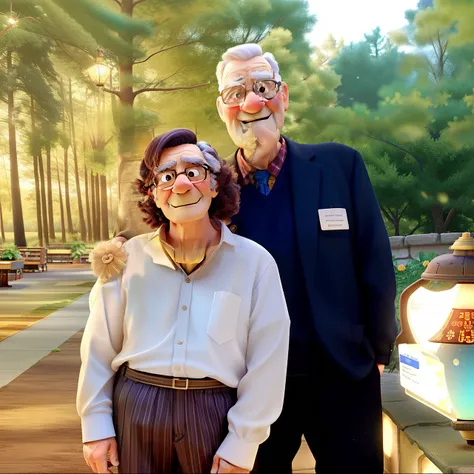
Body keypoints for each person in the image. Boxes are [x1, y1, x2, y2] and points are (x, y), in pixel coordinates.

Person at [108, 43, 398, 473]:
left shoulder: (341, 166)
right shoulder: (208, 188)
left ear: (283, 97)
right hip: (248, 383)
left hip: (341, 371)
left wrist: (377, 350)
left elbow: (374, 260)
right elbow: (170, 243)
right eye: (236, 92)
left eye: (263, 87)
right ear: (223, 108)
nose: (252, 102)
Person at [77, 128, 290, 474]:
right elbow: (98, 348)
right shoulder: (126, 260)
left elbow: (268, 358)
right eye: (167, 176)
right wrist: (96, 425)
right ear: (153, 195)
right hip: (138, 405)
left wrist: (244, 440)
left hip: (215, 410)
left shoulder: (255, 262)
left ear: (215, 183)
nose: (181, 185)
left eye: (193, 172)